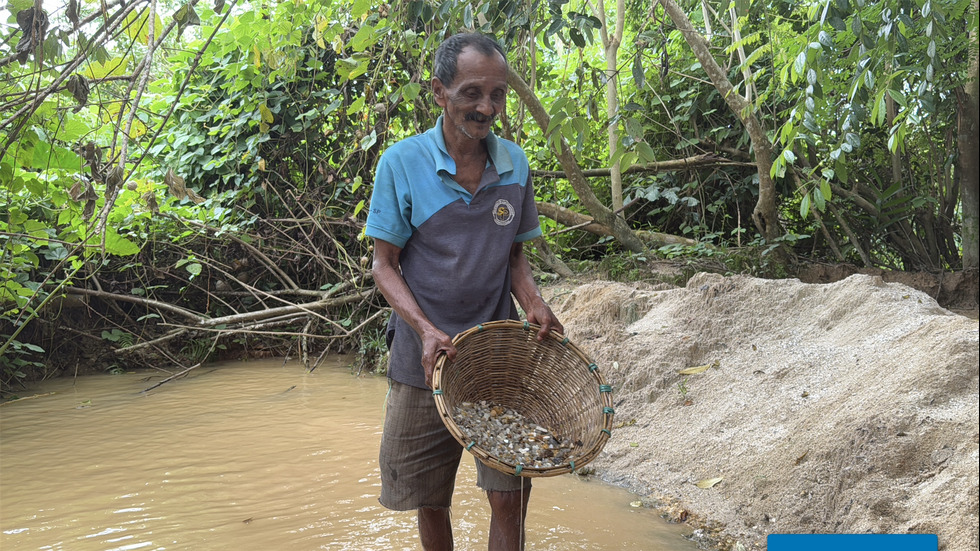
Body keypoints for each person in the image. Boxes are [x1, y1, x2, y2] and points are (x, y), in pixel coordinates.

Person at [364, 32, 563, 551]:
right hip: (424, 357)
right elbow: (384, 265)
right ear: (439, 92)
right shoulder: (401, 164)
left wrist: (535, 303)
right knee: (430, 497)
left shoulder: (515, 164)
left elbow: (514, 253)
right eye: (472, 93)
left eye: (497, 94)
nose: (487, 107)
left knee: (510, 493)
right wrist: (427, 330)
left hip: (497, 356)